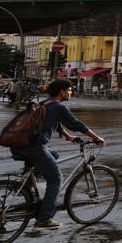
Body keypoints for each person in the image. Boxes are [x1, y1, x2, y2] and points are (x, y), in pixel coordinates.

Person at [9, 79, 105, 231]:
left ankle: (25, 187)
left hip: (17, 146)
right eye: (69, 90)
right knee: (56, 179)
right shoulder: (58, 107)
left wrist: (69, 137)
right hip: (34, 148)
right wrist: (96, 138)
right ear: (62, 92)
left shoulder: (43, 103)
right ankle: (44, 220)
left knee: (54, 154)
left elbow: (57, 125)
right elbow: (77, 124)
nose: (71, 92)